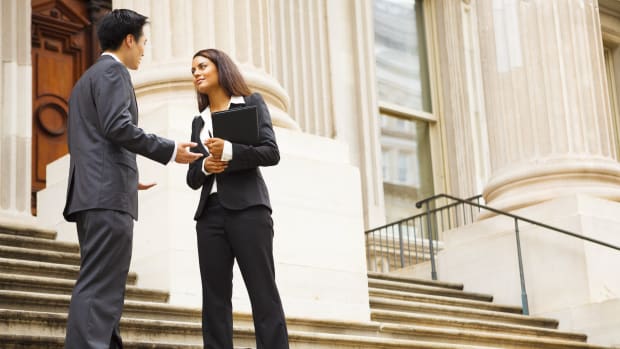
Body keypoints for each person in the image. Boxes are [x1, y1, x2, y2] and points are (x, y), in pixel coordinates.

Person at [62, 9, 202, 349]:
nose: (143, 50)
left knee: (103, 284)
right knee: (101, 287)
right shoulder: (114, 73)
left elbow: (92, 140)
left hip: (95, 192)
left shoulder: (87, 80)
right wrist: (170, 150)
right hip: (105, 198)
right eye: (143, 43)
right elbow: (117, 126)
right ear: (128, 40)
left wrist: (124, 176)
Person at [187, 48, 289, 349]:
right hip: (210, 216)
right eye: (192, 70)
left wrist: (229, 152)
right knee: (214, 300)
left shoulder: (251, 102)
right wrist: (206, 165)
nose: (196, 73)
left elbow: (271, 152)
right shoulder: (199, 121)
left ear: (221, 68)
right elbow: (192, 177)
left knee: (263, 293)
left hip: (249, 211)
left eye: (202, 66)